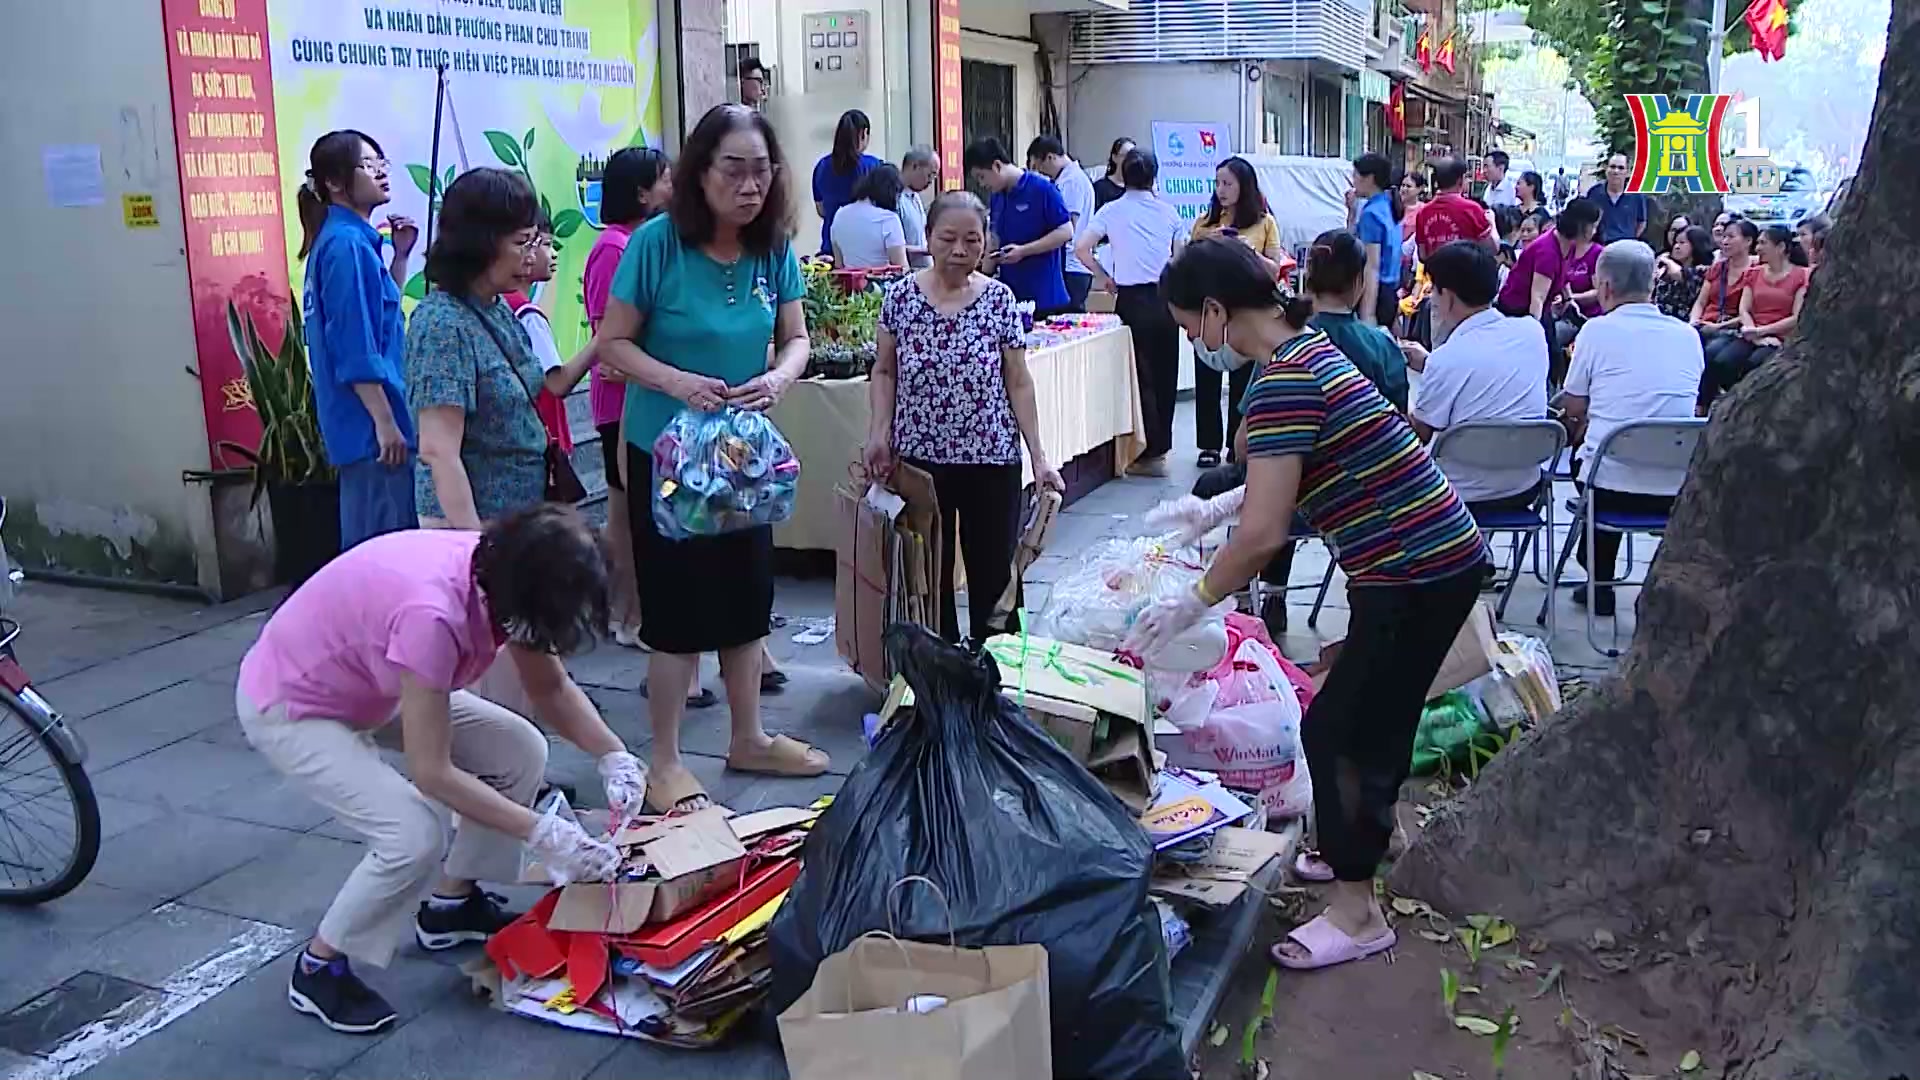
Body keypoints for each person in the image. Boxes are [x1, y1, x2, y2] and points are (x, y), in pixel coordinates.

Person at [1135, 236, 1486, 973]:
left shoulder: (1283, 381)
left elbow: (1264, 534)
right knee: (1372, 714)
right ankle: (1364, 839)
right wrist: (1216, 510)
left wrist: (1192, 602)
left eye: (1192, 327)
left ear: (1215, 310)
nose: (1197, 344)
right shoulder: (1309, 355)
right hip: (1422, 562)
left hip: (1413, 569)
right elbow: (1306, 474)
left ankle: (1358, 913)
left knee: (1338, 729)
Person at [236, 505, 643, 1034]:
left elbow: (551, 687)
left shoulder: (506, 571)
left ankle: (452, 906)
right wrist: (543, 832)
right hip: (293, 704)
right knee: (410, 835)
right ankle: (319, 965)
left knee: (519, 749)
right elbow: (433, 772)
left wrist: (615, 756)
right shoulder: (434, 614)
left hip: (371, 683)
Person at [595, 105, 824, 814]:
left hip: (741, 457)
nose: (750, 185)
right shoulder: (656, 246)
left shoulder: (771, 248)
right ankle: (663, 760)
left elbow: (796, 336)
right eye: (734, 169)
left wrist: (783, 375)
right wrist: (675, 381)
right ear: (699, 172)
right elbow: (612, 346)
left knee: (747, 598)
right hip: (666, 456)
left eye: (762, 170)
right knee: (675, 609)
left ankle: (748, 736)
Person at [863, 191, 1065, 643]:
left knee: (994, 577)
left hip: (990, 459)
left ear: (986, 242)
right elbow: (884, 369)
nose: (960, 250)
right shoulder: (900, 299)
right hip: (919, 462)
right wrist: (878, 434)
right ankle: (938, 679)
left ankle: (997, 675)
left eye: (972, 240)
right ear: (928, 239)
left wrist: (1039, 457)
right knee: (927, 578)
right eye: (948, 238)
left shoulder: (999, 300)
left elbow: (1018, 380)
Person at [1561, 241, 1702, 615]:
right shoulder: (1688, 335)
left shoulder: (1596, 331)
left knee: (1596, 457)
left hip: (1609, 485)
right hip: (1674, 484)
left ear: (1604, 287)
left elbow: (1573, 404)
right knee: (1608, 450)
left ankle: (1599, 581)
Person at [297, 130, 420, 550]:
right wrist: (385, 424)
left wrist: (401, 257)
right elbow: (353, 346)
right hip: (373, 430)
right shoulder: (346, 246)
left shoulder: (344, 242)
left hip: (366, 426)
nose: (382, 173)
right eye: (370, 166)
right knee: (385, 553)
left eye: (382, 164)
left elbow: (381, 321)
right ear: (334, 182)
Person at [407, 168, 549, 531]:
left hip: (518, 520)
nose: (531, 258)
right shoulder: (442, 323)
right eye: (521, 244)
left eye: (534, 243)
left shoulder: (496, 306)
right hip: (473, 529)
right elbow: (439, 451)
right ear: (480, 244)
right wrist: (473, 548)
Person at [580, 147, 671, 650]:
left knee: (631, 511)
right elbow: (608, 341)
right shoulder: (615, 250)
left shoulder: (638, 242)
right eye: (665, 180)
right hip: (622, 403)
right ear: (640, 192)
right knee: (628, 513)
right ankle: (628, 614)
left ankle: (626, 612)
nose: (673, 188)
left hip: (638, 397)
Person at [1399, 242, 1550, 515]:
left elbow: (1418, 433)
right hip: (1523, 485)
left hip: (1457, 493)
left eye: (1434, 289)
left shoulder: (1448, 359)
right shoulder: (1532, 333)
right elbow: (1489, 368)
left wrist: (1396, 388)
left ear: (1449, 296)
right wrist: (1431, 365)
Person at [1074, 148, 1185, 477]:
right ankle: (1161, 448)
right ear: (1155, 176)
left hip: (1130, 300)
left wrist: (1104, 276)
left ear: (1124, 174)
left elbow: (1081, 247)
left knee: (1138, 375)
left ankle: (1140, 448)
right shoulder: (1169, 213)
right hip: (1165, 299)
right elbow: (1179, 259)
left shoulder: (1111, 211)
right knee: (1166, 375)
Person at [1189, 155, 1285, 464]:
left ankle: (1236, 443)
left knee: (1243, 380)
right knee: (1206, 376)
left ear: (1245, 186)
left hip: (1247, 311)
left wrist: (1247, 251)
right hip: (1210, 310)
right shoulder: (1204, 223)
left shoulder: (1265, 222)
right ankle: (1208, 445)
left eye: (1228, 183)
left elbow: (1274, 270)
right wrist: (1209, 244)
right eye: (1217, 183)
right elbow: (1189, 266)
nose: (1221, 190)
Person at [1698, 224, 1810, 411]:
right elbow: (1745, 309)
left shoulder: (1801, 275)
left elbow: (1796, 317)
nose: (1757, 248)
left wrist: (1763, 332)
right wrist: (1754, 333)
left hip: (1778, 337)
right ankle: (1705, 408)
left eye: (1763, 243)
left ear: (1781, 247)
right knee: (1720, 361)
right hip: (1751, 334)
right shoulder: (1753, 274)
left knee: (1755, 364)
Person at [967, 136, 1074, 317]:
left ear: (997, 166)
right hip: (1010, 296)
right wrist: (983, 275)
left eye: (982, 177)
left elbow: (1066, 232)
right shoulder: (997, 196)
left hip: (1043, 298)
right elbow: (994, 236)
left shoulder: (1042, 189)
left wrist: (1024, 251)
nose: (982, 185)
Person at [1304, 230, 1409, 413]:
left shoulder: (1281, 339)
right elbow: (1398, 418)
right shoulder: (1382, 346)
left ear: (1309, 277)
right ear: (1359, 281)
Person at [1026, 135, 1098, 311]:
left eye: (1038, 167)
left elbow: (1067, 226)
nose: (1040, 173)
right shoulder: (1067, 179)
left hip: (1071, 267)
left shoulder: (1071, 182)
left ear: (1050, 157)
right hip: (1070, 265)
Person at [811, 109, 881, 256]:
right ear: (864, 133)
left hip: (831, 248)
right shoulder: (874, 166)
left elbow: (821, 210)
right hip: (865, 250)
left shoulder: (821, 166)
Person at [1349, 153, 1403, 329]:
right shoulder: (1390, 206)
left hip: (1376, 294)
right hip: (1391, 291)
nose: (1352, 180)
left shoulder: (1371, 214)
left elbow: (1371, 266)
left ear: (1369, 178)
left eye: (1355, 175)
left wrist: (1368, 314)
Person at [1413, 157, 1497, 262]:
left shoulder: (1423, 213)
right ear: (1460, 180)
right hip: (1468, 274)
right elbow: (1491, 249)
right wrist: (1492, 223)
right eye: (1467, 177)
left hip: (1436, 276)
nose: (1469, 181)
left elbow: (1423, 255)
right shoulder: (1472, 209)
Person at [829, 163, 909, 269]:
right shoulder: (888, 219)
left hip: (849, 283)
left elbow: (839, 265)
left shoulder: (839, 215)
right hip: (880, 283)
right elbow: (901, 267)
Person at [1690, 217, 1756, 340]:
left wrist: (1718, 326)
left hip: (1732, 329)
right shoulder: (1717, 268)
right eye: (1724, 237)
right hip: (1706, 324)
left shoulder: (1757, 270)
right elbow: (1700, 302)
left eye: (1731, 237)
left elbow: (1753, 312)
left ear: (1748, 241)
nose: (1725, 242)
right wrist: (1693, 323)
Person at [1653, 224, 1714, 321]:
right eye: (1675, 242)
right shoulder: (1666, 269)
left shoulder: (1703, 270)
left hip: (1683, 322)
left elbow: (1679, 274)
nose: (1676, 246)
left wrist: (1667, 260)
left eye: (1682, 242)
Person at [1585, 153, 1648, 244]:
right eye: (1612, 167)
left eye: (1621, 168)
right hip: (1600, 246)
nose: (1616, 171)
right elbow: (1587, 221)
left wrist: (1630, 240)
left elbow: (1641, 223)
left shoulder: (1637, 195)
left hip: (1626, 247)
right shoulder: (1594, 193)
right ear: (1606, 169)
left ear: (1628, 172)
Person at [898, 145, 940, 267]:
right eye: (930, 175)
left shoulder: (915, 198)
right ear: (915, 166)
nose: (931, 181)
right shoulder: (895, 198)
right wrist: (924, 251)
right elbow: (892, 246)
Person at [1092, 137, 1134, 210]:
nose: (1131, 160)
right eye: (1125, 155)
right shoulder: (1100, 188)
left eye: (1133, 156)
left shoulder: (1138, 189)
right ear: (1114, 157)